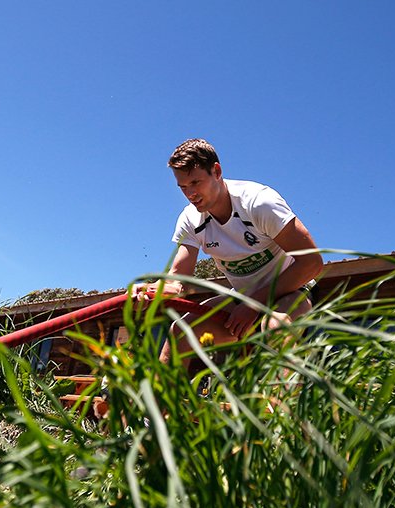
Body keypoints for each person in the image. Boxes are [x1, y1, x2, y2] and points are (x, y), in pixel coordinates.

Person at [134, 138, 323, 367]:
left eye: (196, 182)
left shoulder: (258, 202)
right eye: (183, 187)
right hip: (242, 297)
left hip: (291, 292)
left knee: (275, 329)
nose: (190, 193)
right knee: (180, 332)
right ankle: (161, 402)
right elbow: (179, 281)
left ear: (217, 171)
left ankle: (277, 401)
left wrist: (254, 304)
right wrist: (153, 290)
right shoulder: (190, 219)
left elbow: (312, 263)